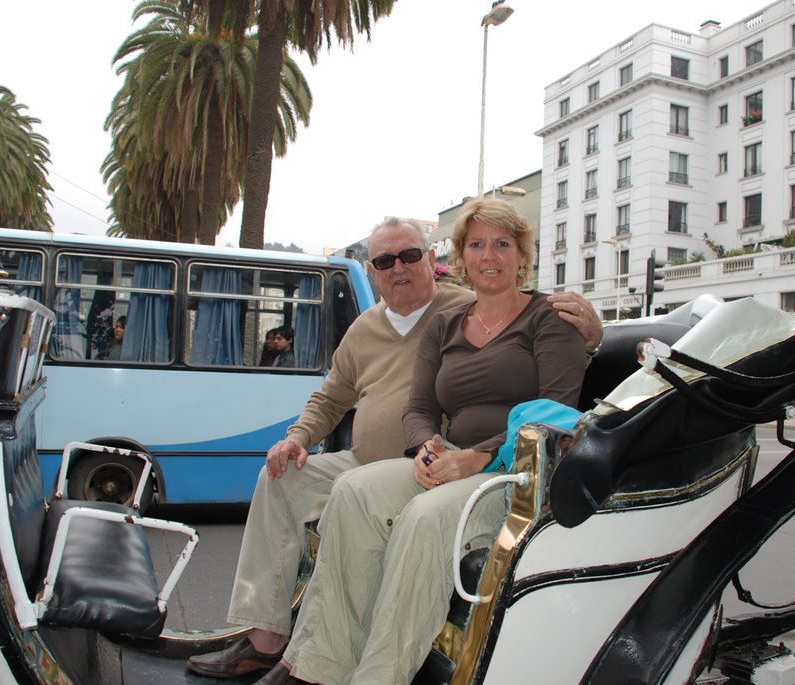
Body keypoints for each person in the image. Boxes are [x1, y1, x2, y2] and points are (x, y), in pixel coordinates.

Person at [186, 217, 603, 679]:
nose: (398, 268)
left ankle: (359, 668)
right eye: (385, 261)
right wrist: (298, 438)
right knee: (283, 475)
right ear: (371, 270)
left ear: (432, 260)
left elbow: (551, 378)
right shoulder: (374, 327)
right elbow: (332, 396)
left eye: (409, 256)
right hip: (388, 457)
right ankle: (269, 638)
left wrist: (592, 336)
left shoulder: (467, 303)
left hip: (464, 463)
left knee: (385, 504)